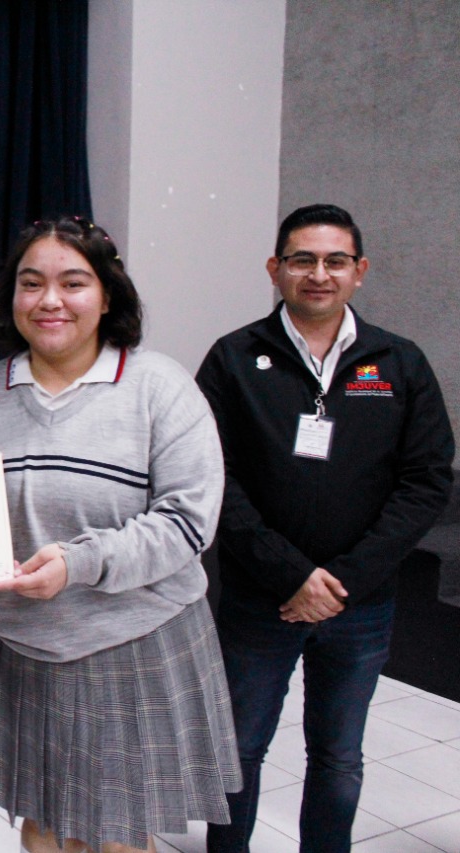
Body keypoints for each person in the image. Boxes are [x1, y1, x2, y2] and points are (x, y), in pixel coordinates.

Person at [0, 216, 241, 853]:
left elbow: (187, 523)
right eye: (31, 283)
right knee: (42, 822)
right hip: (18, 641)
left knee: (117, 833)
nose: (50, 300)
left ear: (107, 295)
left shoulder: (160, 387)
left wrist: (78, 565)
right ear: (10, 298)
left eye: (73, 283)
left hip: (132, 638)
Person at [197, 204, 454, 853]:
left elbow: (426, 479)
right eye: (302, 259)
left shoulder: (400, 362)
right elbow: (210, 476)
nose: (319, 273)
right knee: (240, 751)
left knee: (339, 756)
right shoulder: (233, 358)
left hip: (358, 604)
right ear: (275, 269)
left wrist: (341, 579)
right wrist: (291, 574)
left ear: (359, 271)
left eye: (335, 260)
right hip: (260, 600)